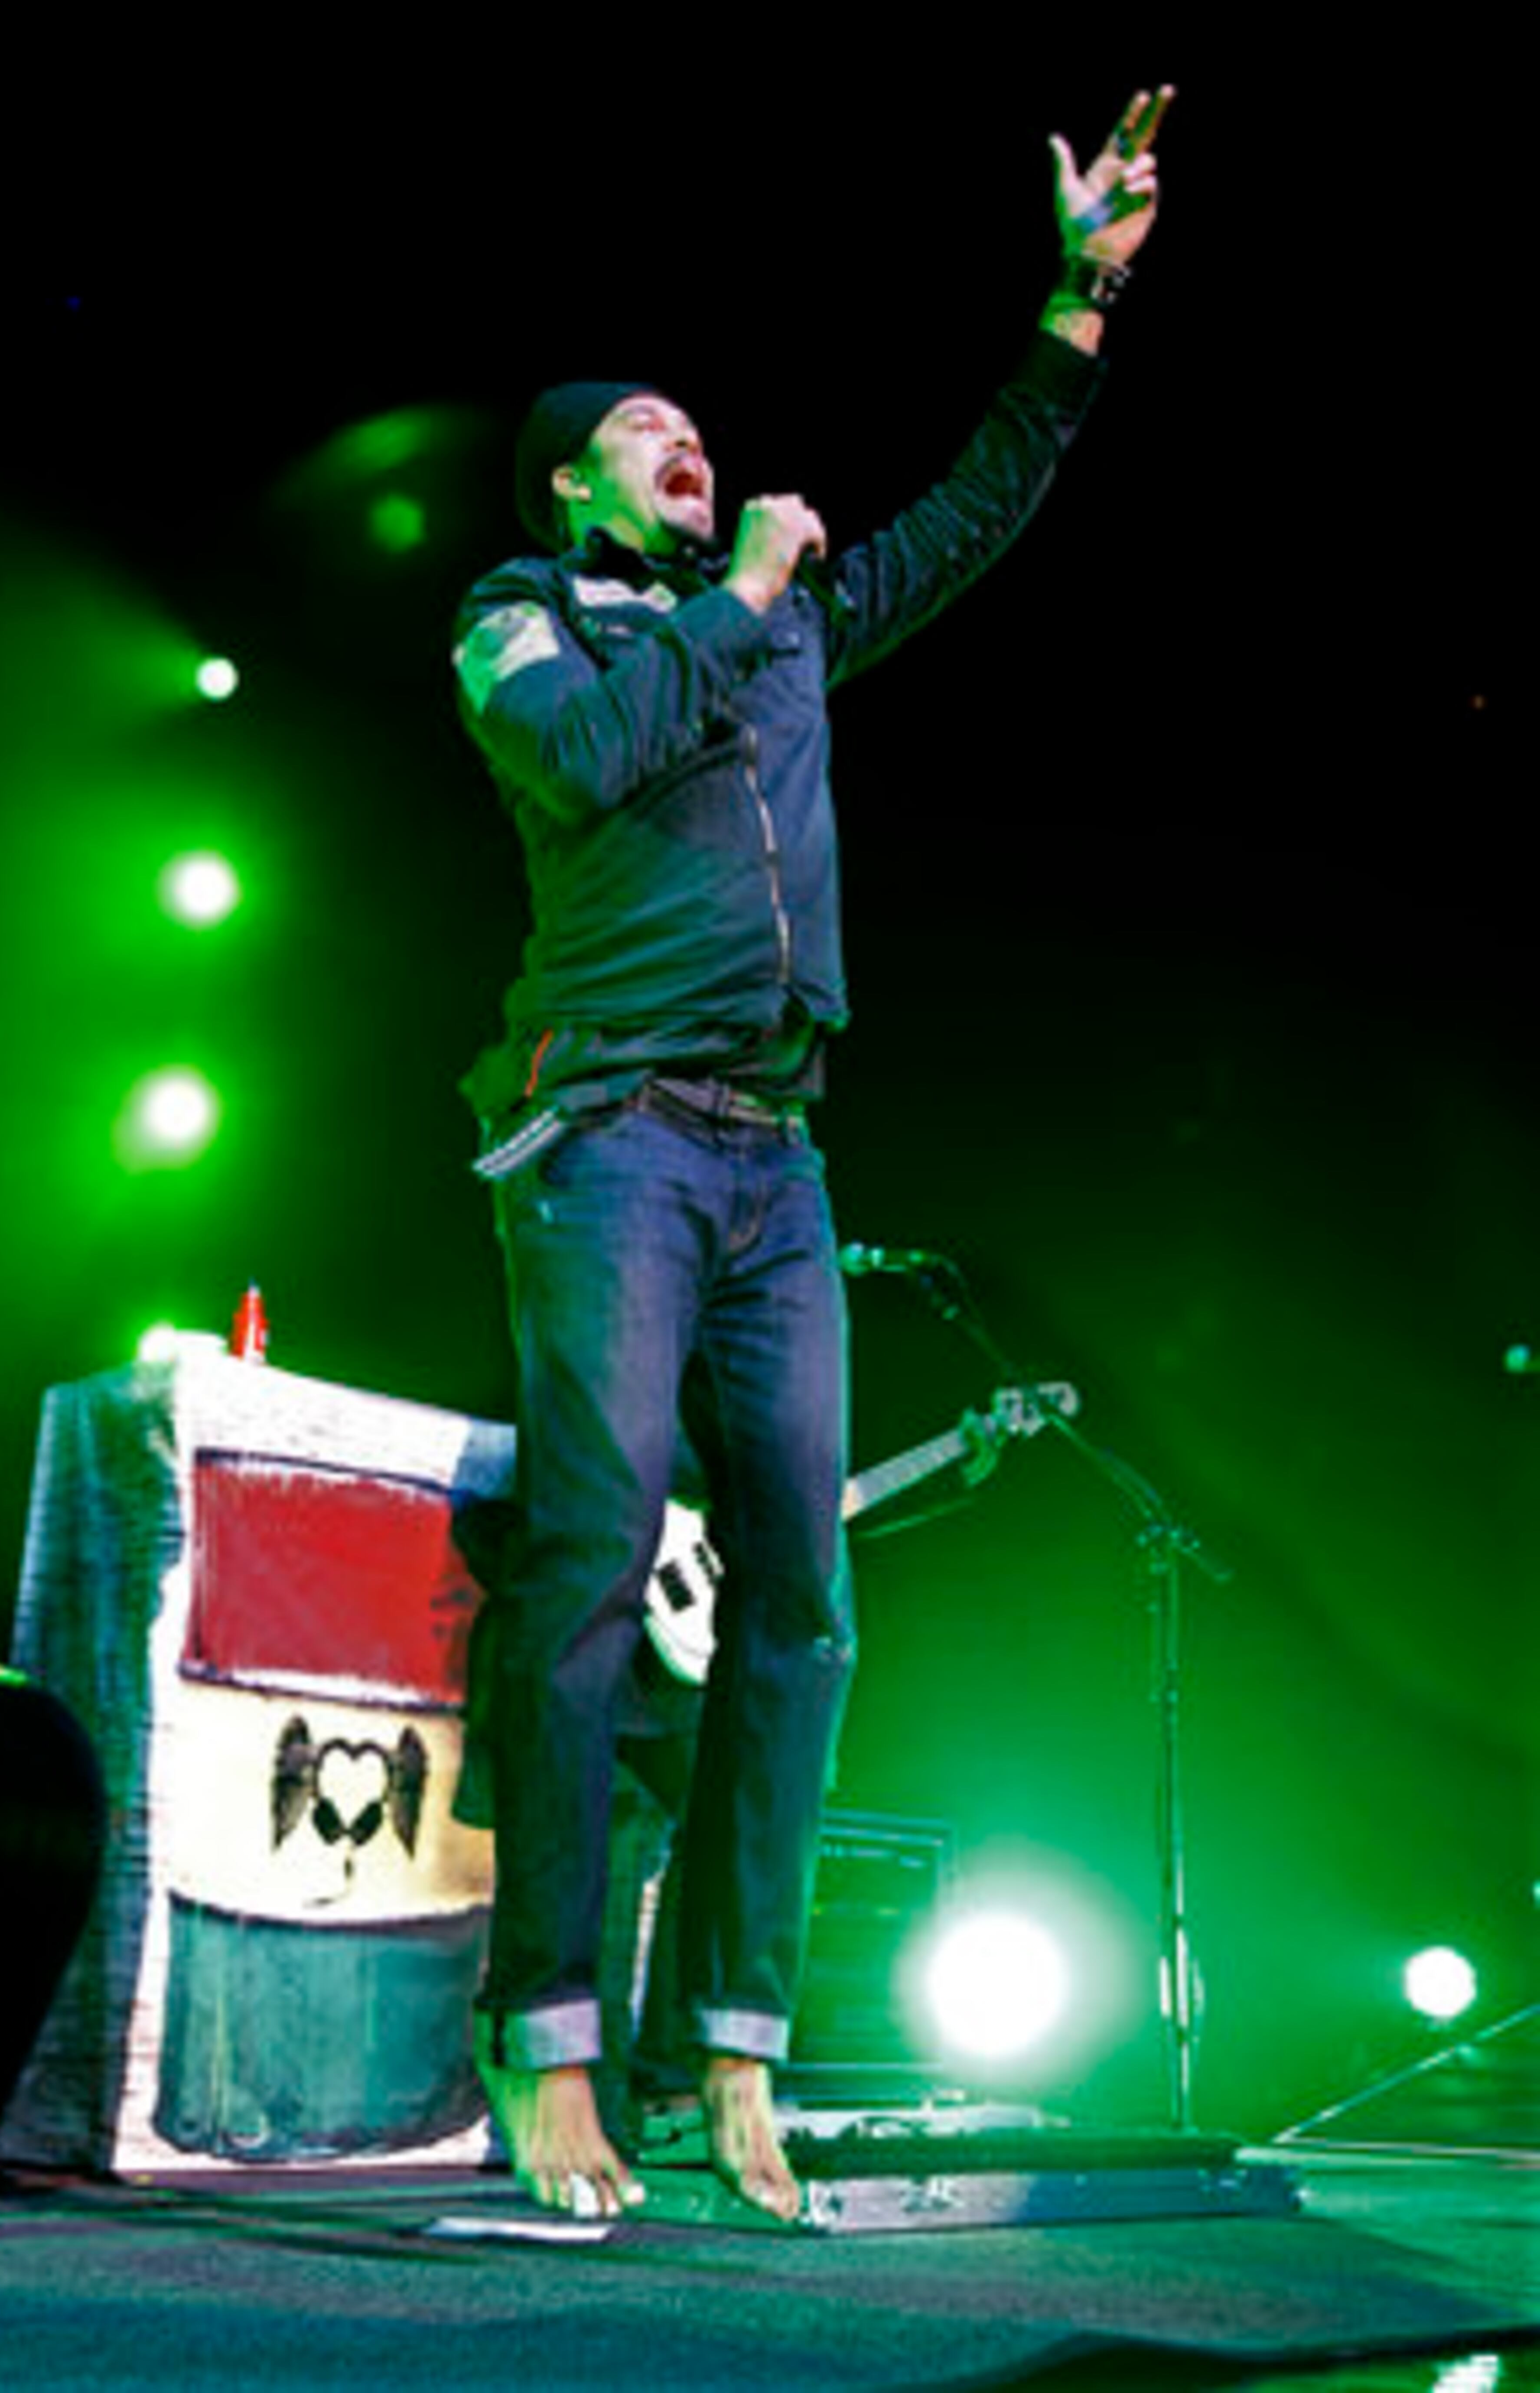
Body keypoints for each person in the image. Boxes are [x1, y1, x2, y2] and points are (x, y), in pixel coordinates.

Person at [450, 86, 1172, 2223]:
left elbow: (964, 518)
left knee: (809, 1604)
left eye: (700, 425)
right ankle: (545, 2040)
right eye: (650, 428)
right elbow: (583, 763)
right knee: (588, 1569)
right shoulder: (533, 618)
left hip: (777, 1161)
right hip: (608, 1141)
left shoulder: (772, 629)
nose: (693, 442)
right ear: (581, 474)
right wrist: (740, 586)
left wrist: (1076, 307)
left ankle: (728, 2057)